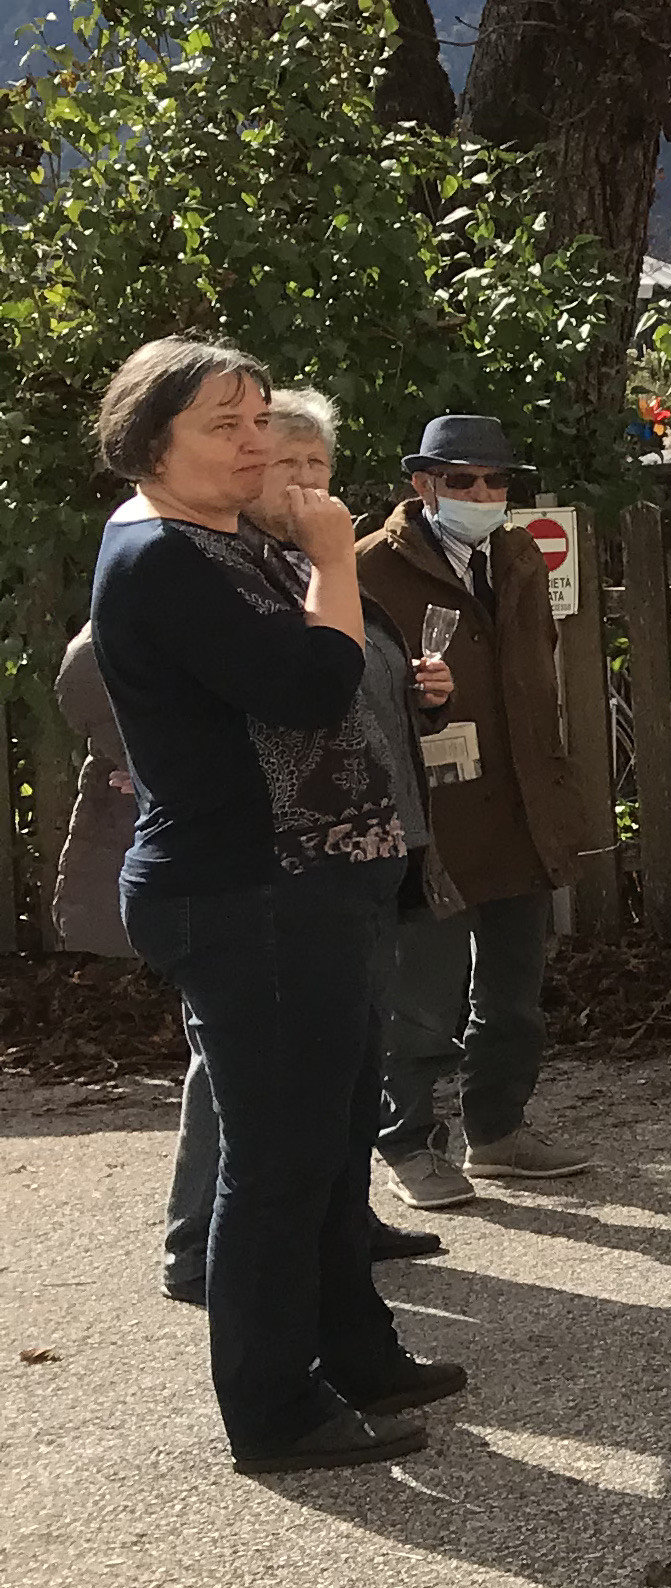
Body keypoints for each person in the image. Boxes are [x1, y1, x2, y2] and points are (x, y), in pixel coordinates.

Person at [87, 339, 464, 1474]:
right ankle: (273, 1409)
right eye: (225, 424)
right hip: (247, 893)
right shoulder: (159, 555)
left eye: (260, 418)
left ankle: (355, 1347)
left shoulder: (223, 536)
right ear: (150, 443)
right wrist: (338, 557)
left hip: (310, 883)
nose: (257, 443)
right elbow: (309, 686)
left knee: (336, 1132)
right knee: (278, 1159)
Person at [135, 395, 455, 1297]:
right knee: (239, 1077)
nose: (312, 484)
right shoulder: (223, 568)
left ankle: (338, 1221)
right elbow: (121, 679)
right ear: (244, 475)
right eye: (289, 467)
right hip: (269, 870)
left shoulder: (316, 567)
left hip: (361, 849)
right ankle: (198, 1246)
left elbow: (361, 683)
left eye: (320, 467)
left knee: (344, 1060)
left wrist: (428, 699)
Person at [364, 411, 593, 1203]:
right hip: (429, 810)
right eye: (464, 480)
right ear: (423, 484)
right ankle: (409, 1144)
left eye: (498, 480)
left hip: (522, 802)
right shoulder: (368, 569)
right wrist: (416, 700)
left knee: (513, 992)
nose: (485, 493)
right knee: (421, 992)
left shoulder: (519, 554)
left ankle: (496, 1133)